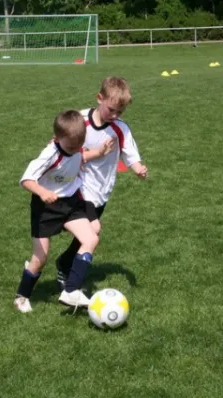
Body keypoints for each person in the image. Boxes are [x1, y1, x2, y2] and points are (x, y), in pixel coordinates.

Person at [55, 77, 148, 289]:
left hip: (102, 190)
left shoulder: (120, 129)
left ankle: (65, 262)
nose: (115, 116)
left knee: (89, 233)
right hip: (79, 186)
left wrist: (138, 169)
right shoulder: (80, 122)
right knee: (93, 230)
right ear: (99, 98)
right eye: (111, 110)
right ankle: (69, 278)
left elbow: (130, 154)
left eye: (120, 113)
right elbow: (58, 144)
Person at [13, 109, 100, 313]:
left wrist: (100, 153)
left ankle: (71, 291)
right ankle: (21, 296)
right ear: (56, 138)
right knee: (40, 259)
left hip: (70, 204)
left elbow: (82, 156)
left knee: (91, 237)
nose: (75, 149)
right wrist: (42, 192)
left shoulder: (76, 147)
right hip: (45, 209)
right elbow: (26, 179)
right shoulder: (50, 154)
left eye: (79, 145)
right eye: (71, 146)